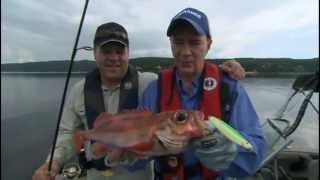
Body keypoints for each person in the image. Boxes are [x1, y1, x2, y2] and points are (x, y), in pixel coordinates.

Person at [32, 22, 246, 180]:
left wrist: (225, 69)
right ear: (95, 54)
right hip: (96, 171)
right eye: (106, 51)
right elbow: (67, 133)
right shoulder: (79, 90)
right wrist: (53, 162)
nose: (114, 57)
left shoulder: (149, 82)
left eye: (120, 51)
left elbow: (185, 76)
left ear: (128, 53)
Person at [140, 7, 266, 179]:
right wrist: (128, 151)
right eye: (178, 42)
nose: (185, 52)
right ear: (170, 44)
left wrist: (232, 150)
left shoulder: (230, 88)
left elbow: (256, 151)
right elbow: (136, 155)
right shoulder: (154, 91)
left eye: (194, 42)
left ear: (208, 44)